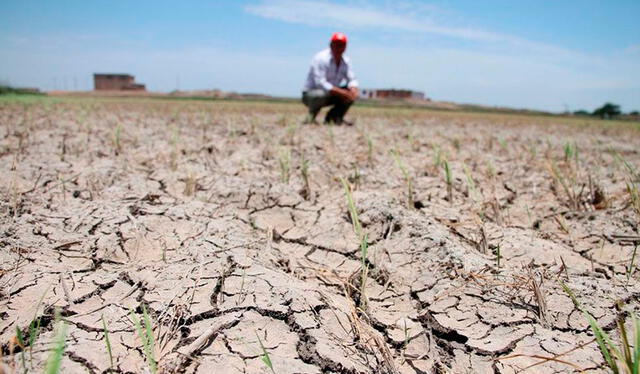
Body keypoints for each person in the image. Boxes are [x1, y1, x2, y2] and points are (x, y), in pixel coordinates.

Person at [302, 32, 359, 125]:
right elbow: (320, 83)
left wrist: (353, 89)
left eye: (342, 45)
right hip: (312, 94)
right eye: (336, 44)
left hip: (332, 94)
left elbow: (352, 79)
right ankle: (311, 117)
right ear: (331, 45)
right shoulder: (320, 58)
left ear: (345, 47)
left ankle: (333, 118)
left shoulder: (346, 61)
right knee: (320, 95)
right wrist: (342, 92)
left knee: (351, 94)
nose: (339, 47)